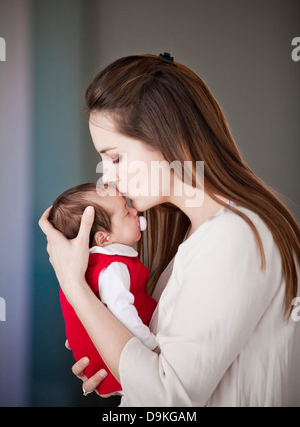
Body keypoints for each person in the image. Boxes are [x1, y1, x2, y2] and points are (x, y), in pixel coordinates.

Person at [39, 53, 300, 407]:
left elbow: (170, 399)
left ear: (169, 137)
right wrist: (112, 356)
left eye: (115, 157)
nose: (109, 177)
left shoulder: (234, 237)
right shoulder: (197, 237)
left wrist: (75, 288)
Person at [48, 182, 157, 396]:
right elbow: (122, 311)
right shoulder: (113, 268)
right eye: (126, 212)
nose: (135, 210)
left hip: (115, 372)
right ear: (104, 238)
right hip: (129, 368)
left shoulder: (96, 264)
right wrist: (151, 346)